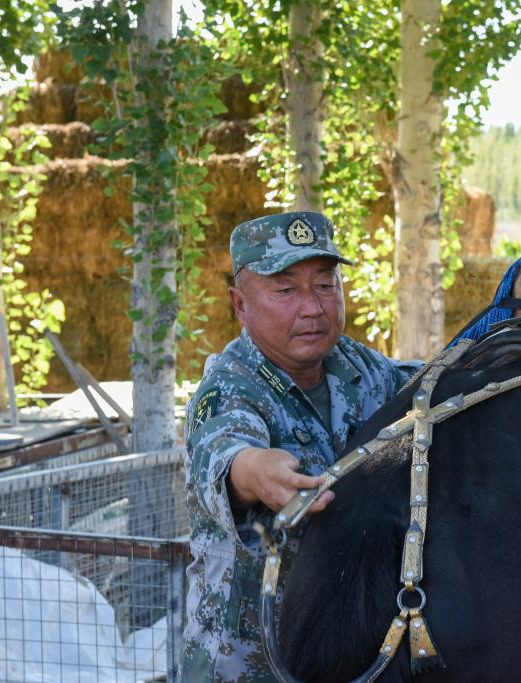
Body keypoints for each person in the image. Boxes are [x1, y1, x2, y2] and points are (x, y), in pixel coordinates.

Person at [178, 211, 422, 681]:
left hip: (339, 653)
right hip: (245, 662)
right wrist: (254, 471)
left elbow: (430, 387)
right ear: (240, 305)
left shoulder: (357, 367)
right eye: (286, 290)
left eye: (325, 285)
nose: (312, 307)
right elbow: (224, 450)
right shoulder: (228, 386)